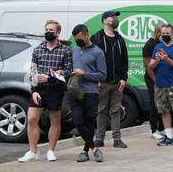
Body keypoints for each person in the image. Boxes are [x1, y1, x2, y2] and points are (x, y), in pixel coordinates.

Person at [20, 19, 72, 162]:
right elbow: (33, 71)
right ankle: (32, 151)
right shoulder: (38, 49)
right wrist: (34, 90)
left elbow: (68, 72)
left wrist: (49, 77)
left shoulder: (65, 50)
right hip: (39, 90)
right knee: (31, 118)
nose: (48, 32)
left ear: (58, 32)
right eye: (46, 30)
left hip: (55, 90)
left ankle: (51, 151)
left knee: (54, 120)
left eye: (51, 30)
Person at [67, 23, 107, 162]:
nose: (77, 40)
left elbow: (102, 75)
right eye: (75, 38)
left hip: (90, 92)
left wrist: (84, 74)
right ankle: (94, 148)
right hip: (74, 90)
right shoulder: (74, 50)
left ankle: (85, 151)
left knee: (89, 122)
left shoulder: (98, 52)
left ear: (86, 35)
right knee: (78, 122)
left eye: (79, 37)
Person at [93, 10, 129, 151]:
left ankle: (117, 139)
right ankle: (99, 139)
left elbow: (125, 59)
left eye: (115, 17)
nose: (115, 19)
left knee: (115, 110)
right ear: (105, 20)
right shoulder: (97, 37)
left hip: (117, 82)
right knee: (101, 110)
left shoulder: (120, 38)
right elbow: (92, 59)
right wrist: (96, 78)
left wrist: (124, 78)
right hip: (102, 81)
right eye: (112, 17)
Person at [142, 22, 167, 141]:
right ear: (157, 33)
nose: (165, 35)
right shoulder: (149, 45)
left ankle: (162, 128)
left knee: (163, 103)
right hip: (152, 78)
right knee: (154, 103)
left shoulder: (161, 44)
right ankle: (154, 130)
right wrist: (155, 80)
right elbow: (148, 66)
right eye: (162, 33)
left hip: (161, 77)